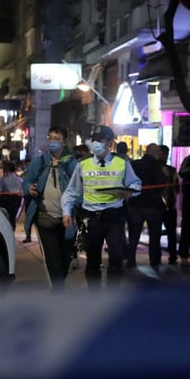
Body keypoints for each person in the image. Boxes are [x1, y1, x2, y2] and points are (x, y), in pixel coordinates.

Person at [62, 124, 142, 289]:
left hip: (114, 217)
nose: (95, 144)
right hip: (92, 218)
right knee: (92, 260)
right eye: (94, 140)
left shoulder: (121, 163)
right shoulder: (83, 164)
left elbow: (136, 184)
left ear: (110, 143)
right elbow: (72, 191)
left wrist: (129, 192)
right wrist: (66, 212)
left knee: (116, 259)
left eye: (100, 140)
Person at [23, 126, 78, 291]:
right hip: (45, 217)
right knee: (52, 257)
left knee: (66, 255)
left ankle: (59, 285)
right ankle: (58, 290)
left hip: (68, 218)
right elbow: (26, 182)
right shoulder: (39, 163)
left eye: (57, 138)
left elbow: (80, 188)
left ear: (64, 142)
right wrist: (29, 188)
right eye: (50, 138)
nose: (53, 141)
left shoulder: (72, 164)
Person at [126, 143, 167, 269]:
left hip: (135, 203)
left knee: (134, 235)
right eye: (158, 152)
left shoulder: (134, 164)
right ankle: (154, 260)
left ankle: (130, 260)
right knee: (154, 235)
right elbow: (161, 183)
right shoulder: (156, 166)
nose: (160, 154)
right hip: (152, 205)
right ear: (154, 152)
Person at [158, 144, 180, 264]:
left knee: (171, 232)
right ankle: (158, 255)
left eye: (165, 154)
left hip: (170, 205)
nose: (164, 156)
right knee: (157, 232)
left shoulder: (172, 170)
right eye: (162, 154)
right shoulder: (155, 169)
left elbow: (176, 187)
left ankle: (173, 256)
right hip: (157, 204)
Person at [0, 160, 24, 231]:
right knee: (13, 217)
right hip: (18, 199)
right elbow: (23, 191)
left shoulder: (4, 180)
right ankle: (12, 230)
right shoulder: (20, 180)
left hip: (7, 200)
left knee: (7, 217)